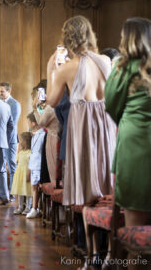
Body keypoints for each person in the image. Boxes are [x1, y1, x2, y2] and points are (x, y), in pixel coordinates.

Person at [46, 15, 116, 206]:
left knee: (86, 176)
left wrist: (50, 69)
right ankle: (105, 228)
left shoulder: (66, 69)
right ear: (89, 34)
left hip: (83, 124)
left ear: (67, 39)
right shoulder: (105, 60)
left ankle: (86, 231)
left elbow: (52, 101)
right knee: (104, 168)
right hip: (105, 122)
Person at [105, 17, 151, 239]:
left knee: (135, 230)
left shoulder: (122, 66)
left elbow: (112, 105)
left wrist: (129, 119)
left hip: (134, 143)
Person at [32, 82, 59, 184]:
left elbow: (41, 122)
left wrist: (35, 107)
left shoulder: (52, 107)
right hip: (62, 137)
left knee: (53, 170)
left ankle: (55, 194)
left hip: (53, 139)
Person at [0, 82, 21, 197]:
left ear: (9, 91)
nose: (0, 93)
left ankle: (13, 193)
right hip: (0, 140)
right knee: (1, 167)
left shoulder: (15, 104)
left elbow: (12, 123)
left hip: (10, 139)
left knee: (12, 166)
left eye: (2, 91)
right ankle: (3, 193)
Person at [26, 112, 46, 219]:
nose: (28, 124)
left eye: (28, 122)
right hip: (33, 164)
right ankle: (35, 208)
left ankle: (35, 208)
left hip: (39, 164)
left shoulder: (43, 134)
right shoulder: (34, 135)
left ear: (34, 123)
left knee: (37, 187)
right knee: (33, 187)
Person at [11, 132, 33, 215]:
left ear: (26, 141)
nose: (20, 142)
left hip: (27, 173)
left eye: (22, 140)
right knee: (20, 190)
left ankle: (28, 207)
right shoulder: (20, 152)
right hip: (19, 174)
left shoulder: (30, 152)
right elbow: (17, 161)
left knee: (27, 191)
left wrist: (29, 173)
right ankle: (20, 207)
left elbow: (30, 164)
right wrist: (19, 150)